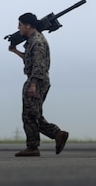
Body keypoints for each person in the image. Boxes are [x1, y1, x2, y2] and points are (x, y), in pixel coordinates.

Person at [8, 12, 69, 156]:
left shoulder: (38, 42)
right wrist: (16, 51)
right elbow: (29, 60)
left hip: (37, 80)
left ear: (28, 25)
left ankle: (35, 146)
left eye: (20, 25)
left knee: (30, 115)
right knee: (32, 114)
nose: (18, 28)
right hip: (35, 79)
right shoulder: (31, 41)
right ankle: (55, 135)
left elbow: (39, 66)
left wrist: (33, 84)